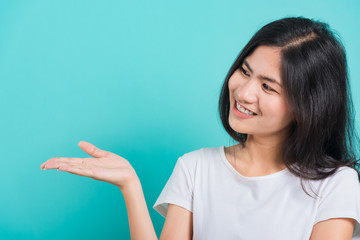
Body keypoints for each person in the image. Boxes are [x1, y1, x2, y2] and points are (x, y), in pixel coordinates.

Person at [40, 16, 360, 239]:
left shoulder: (336, 185)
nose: (244, 92)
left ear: (308, 106)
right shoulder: (195, 168)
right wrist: (130, 185)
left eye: (268, 86)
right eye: (245, 71)